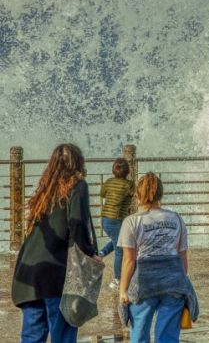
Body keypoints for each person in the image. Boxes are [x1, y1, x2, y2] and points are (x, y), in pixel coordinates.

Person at [11, 143, 101, 343]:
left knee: (32, 336)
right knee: (63, 334)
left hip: (28, 275)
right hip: (55, 273)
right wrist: (89, 252)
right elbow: (78, 224)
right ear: (78, 162)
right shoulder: (78, 185)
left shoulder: (45, 190)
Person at [118, 172, 198, 343]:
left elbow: (129, 260)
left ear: (138, 195)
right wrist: (181, 281)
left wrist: (123, 290)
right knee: (167, 337)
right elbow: (182, 255)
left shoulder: (131, 222)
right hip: (173, 282)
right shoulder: (177, 219)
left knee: (139, 334)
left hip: (144, 285)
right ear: (160, 194)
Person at [98, 157, 134, 289]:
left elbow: (102, 194)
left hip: (105, 219)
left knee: (117, 241)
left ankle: (101, 254)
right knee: (120, 250)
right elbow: (134, 195)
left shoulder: (108, 182)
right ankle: (117, 279)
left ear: (113, 170)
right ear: (128, 171)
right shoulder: (129, 185)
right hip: (117, 220)